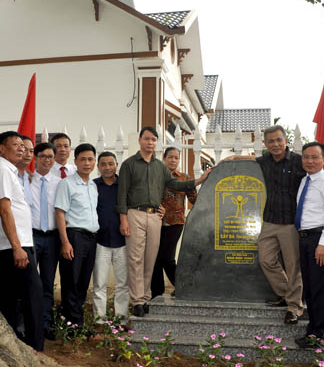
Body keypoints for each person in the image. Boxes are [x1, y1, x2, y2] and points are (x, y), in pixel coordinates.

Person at [117, 126, 210, 317]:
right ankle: (137, 301)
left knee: (151, 259)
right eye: (147, 139)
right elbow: (122, 194)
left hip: (155, 218)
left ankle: (146, 297)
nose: (150, 142)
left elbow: (176, 184)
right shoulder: (128, 164)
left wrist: (199, 180)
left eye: (153, 140)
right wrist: (123, 219)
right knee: (136, 259)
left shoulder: (160, 167)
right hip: (135, 214)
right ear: (140, 140)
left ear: (156, 143)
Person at [224, 125, 307, 324]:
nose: (276, 144)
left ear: (285, 140)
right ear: (266, 144)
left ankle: (294, 307)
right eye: (271, 141)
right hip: (269, 221)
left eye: (279, 140)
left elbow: (315, 175)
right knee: (266, 260)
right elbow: (251, 159)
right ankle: (286, 294)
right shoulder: (265, 161)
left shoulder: (298, 161)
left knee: (293, 266)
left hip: (290, 223)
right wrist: (233, 158)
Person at [0, 131, 44, 351]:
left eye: (23, 145)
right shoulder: (1, 171)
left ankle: (11, 346)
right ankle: (35, 347)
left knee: (8, 299)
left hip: (15, 245)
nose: (21, 148)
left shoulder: (9, 171)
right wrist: (18, 248)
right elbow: (4, 209)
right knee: (33, 296)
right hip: (13, 247)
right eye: (16, 144)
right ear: (2, 148)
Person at [294, 141, 324, 348]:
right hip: (305, 238)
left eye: (315, 157)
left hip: (320, 238)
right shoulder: (305, 180)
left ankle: (322, 333)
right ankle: (313, 330)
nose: (310, 161)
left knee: (320, 287)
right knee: (310, 287)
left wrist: (323, 244)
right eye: (306, 157)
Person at [55, 143, 99, 329]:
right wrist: (65, 242)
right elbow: (60, 213)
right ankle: (75, 326)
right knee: (71, 281)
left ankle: (71, 321)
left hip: (91, 238)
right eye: (83, 159)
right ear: (76, 162)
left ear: (94, 161)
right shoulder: (67, 183)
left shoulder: (93, 186)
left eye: (90, 159)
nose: (87, 163)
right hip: (74, 237)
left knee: (83, 282)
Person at [151, 147, 197, 299]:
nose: (173, 160)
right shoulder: (156, 176)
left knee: (167, 257)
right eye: (170, 157)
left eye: (176, 158)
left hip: (175, 222)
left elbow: (194, 199)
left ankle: (183, 287)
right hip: (155, 221)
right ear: (164, 158)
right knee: (155, 258)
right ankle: (156, 293)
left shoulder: (184, 178)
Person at [92, 151, 129, 330]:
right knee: (99, 283)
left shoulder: (124, 185)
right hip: (100, 241)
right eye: (103, 164)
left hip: (123, 240)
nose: (107, 167)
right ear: (98, 167)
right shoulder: (93, 186)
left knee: (123, 283)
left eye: (110, 164)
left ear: (116, 165)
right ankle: (99, 320)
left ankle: (121, 319)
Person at [30, 142, 61, 340]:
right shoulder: (25, 179)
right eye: (43, 156)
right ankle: (28, 323)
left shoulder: (59, 183)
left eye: (50, 156)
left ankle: (45, 323)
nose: (47, 160)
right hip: (31, 236)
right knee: (30, 282)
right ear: (36, 157)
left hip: (52, 238)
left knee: (48, 283)